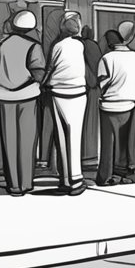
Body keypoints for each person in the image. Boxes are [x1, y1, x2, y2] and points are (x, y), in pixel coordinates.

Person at [0, 10, 46, 196]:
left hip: (5, 97)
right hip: (28, 97)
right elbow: (39, 73)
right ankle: (26, 183)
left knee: (9, 141)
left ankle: (13, 185)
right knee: (27, 141)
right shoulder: (34, 46)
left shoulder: (2, 45)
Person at [43, 11, 89, 195]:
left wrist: (44, 82)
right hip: (78, 92)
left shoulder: (57, 46)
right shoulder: (79, 46)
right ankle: (76, 179)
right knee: (75, 135)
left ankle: (65, 180)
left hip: (58, 92)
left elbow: (51, 68)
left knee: (61, 137)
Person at [97, 29, 135, 186]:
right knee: (123, 143)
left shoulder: (106, 58)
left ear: (110, 43)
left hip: (109, 105)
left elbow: (101, 82)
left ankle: (105, 177)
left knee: (108, 143)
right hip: (128, 104)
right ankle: (121, 174)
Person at [80, 25, 103, 169]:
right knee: (94, 123)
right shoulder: (94, 46)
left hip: (87, 88)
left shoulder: (82, 45)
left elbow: (85, 67)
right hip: (97, 89)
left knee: (85, 122)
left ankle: (85, 156)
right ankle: (92, 155)